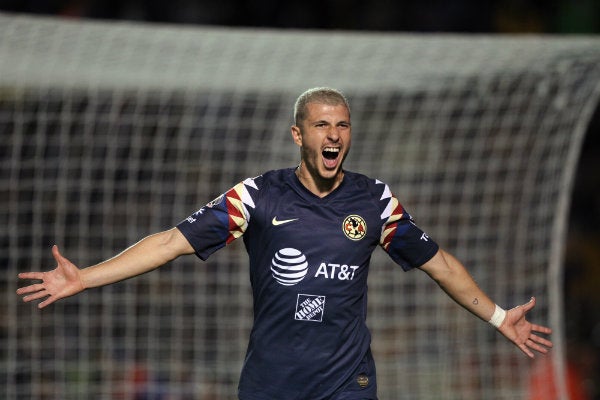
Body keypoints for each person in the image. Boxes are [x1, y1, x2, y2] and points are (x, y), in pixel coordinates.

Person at [17, 87, 553, 400]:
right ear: (299, 135)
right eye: (322, 126)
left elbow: (440, 265)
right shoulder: (256, 197)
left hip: (348, 379)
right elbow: (169, 243)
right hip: (272, 382)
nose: (334, 136)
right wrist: (85, 276)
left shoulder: (375, 202)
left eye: (342, 125)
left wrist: (499, 316)